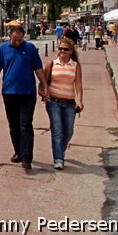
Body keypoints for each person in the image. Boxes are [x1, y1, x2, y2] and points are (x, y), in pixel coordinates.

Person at [0, 26, 49, 170]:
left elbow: (38, 68)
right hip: (9, 93)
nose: (17, 42)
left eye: (20, 40)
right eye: (15, 40)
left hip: (27, 93)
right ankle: (18, 152)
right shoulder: (2, 49)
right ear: (9, 36)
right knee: (14, 125)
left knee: (26, 124)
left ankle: (27, 157)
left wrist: (44, 85)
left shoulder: (30, 48)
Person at [43, 37, 84, 170]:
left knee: (69, 131)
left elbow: (78, 83)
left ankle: (60, 149)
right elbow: (44, 81)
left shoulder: (75, 66)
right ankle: (59, 159)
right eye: (60, 48)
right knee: (57, 131)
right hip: (54, 101)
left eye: (65, 49)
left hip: (70, 103)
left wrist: (80, 100)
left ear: (71, 51)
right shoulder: (52, 64)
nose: (62, 51)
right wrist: (44, 93)